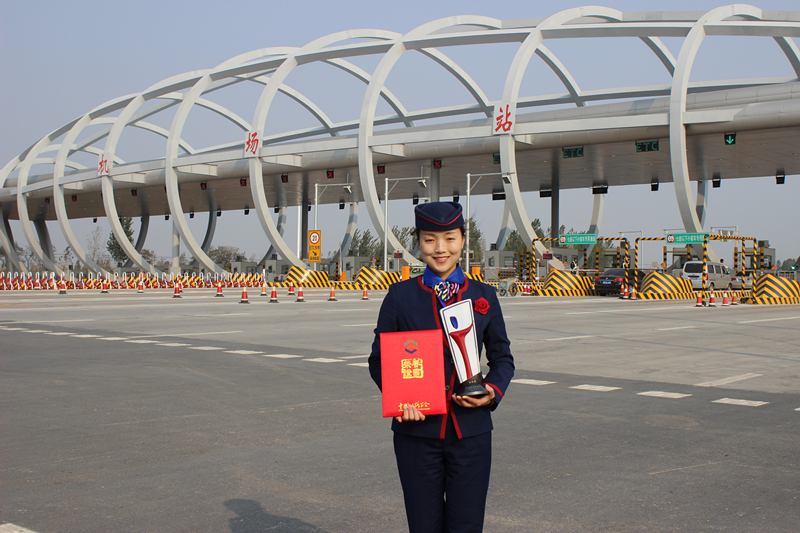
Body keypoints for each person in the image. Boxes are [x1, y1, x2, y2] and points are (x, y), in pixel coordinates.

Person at [368, 201, 515, 533]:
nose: (440, 248)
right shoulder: (400, 296)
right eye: (430, 239)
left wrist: (491, 391)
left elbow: (502, 358)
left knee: (467, 525)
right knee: (424, 525)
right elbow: (379, 360)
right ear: (418, 242)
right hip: (417, 434)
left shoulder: (484, 295)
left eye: (449, 238)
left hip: (471, 433)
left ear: (463, 239)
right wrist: (399, 398)